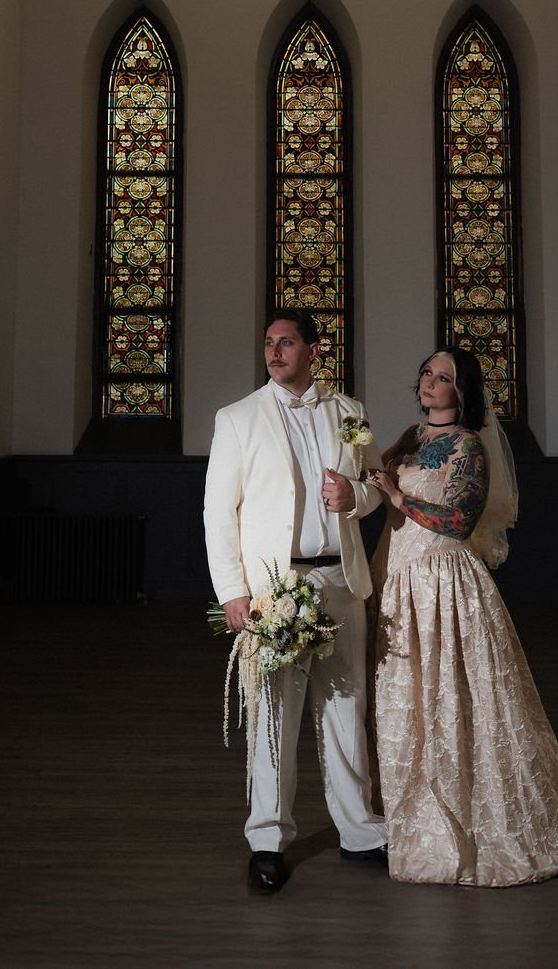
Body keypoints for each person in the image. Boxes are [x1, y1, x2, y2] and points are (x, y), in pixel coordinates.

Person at [367, 347, 558, 887]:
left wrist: (398, 497)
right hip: (399, 580)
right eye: (425, 372)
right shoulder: (412, 436)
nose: (428, 382)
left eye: (441, 377)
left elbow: (458, 521)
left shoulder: (469, 449)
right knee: (409, 703)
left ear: (461, 391)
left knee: (455, 701)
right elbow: (377, 477)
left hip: (444, 583)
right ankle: (412, 823)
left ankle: (481, 827)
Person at [204, 309, 388, 892]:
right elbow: (217, 513)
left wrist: (353, 496)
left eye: (287, 342)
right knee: (274, 719)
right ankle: (267, 839)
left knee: (346, 711)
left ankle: (359, 831)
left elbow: (377, 482)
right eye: (268, 343)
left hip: (342, 583)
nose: (275, 352)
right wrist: (233, 591)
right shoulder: (236, 419)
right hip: (273, 590)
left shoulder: (351, 413)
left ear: (313, 349)